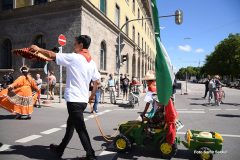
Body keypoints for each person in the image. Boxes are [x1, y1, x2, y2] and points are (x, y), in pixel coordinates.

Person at [30, 35, 100, 160]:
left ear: (81, 45)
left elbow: (52, 55)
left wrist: (38, 49)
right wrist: (92, 96)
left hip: (74, 100)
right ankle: (60, 149)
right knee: (70, 126)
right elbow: (97, 82)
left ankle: (91, 155)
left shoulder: (74, 58)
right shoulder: (92, 62)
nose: (73, 45)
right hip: (82, 100)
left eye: (75, 43)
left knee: (80, 129)